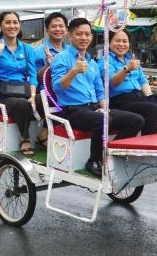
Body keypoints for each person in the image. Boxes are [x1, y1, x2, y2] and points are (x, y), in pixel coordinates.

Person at [50, 17, 144, 177]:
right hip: (72, 111)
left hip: (93, 108)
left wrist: (104, 108)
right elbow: (58, 88)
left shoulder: (92, 63)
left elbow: (100, 92)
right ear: (70, 36)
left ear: (92, 38)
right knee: (103, 120)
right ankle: (94, 160)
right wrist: (73, 71)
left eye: (87, 34)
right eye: (79, 34)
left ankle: (113, 155)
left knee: (137, 120)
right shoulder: (61, 58)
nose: (84, 38)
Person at [0, 11, 39, 155]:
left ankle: (44, 135)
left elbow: (32, 76)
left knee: (42, 100)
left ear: (19, 25)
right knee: (21, 103)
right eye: (8, 22)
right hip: (2, 95)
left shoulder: (27, 49)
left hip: (24, 91)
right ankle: (25, 138)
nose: (12, 26)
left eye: (15, 22)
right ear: (1, 25)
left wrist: (32, 95)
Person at [105, 29, 157, 135]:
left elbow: (142, 81)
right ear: (109, 42)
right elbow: (112, 83)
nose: (121, 44)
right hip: (119, 102)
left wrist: (149, 96)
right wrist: (127, 69)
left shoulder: (130, 59)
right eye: (117, 41)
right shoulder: (106, 61)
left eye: (125, 41)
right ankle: (147, 148)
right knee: (151, 109)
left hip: (139, 98)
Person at [30, 12, 69, 144]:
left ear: (66, 29)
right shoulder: (38, 51)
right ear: (47, 29)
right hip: (44, 93)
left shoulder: (70, 50)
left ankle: (47, 133)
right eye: (54, 26)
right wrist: (47, 65)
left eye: (61, 26)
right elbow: (33, 78)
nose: (58, 29)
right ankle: (45, 134)